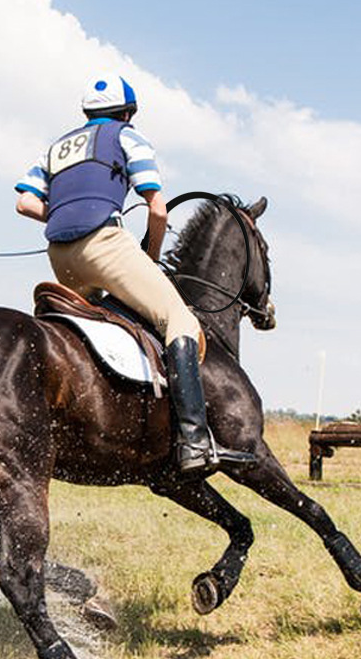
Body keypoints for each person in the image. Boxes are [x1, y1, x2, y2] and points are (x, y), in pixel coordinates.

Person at [15, 73, 253, 477]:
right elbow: (157, 208)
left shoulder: (56, 148)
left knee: (90, 330)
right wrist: (152, 253)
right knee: (179, 319)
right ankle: (195, 440)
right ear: (128, 113)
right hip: (106, 246)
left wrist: (57, 213)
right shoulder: (128, 137)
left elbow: (24, 203)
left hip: (60, 257)